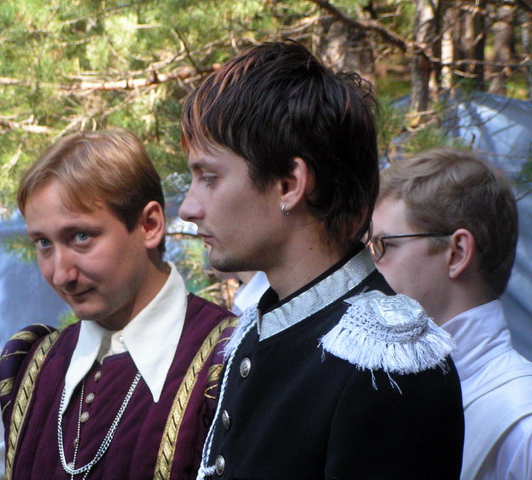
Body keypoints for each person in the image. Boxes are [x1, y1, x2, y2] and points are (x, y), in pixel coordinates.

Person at [178, 40, 464, 479]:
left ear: (290, 184)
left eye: (209, 177)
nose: (188, 208)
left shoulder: (386, 367)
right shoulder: (260, 331)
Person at [0, 128, 236, 479]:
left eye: (81, 237)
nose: (61, 274)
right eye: (44, 244)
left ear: (150, 225)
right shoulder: (30, 369)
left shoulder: (227, 361)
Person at [371, 146, 532, 480]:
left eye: (382, 246)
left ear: (457, 253)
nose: (368, 270)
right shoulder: (391, 393)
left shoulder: (523, 426)